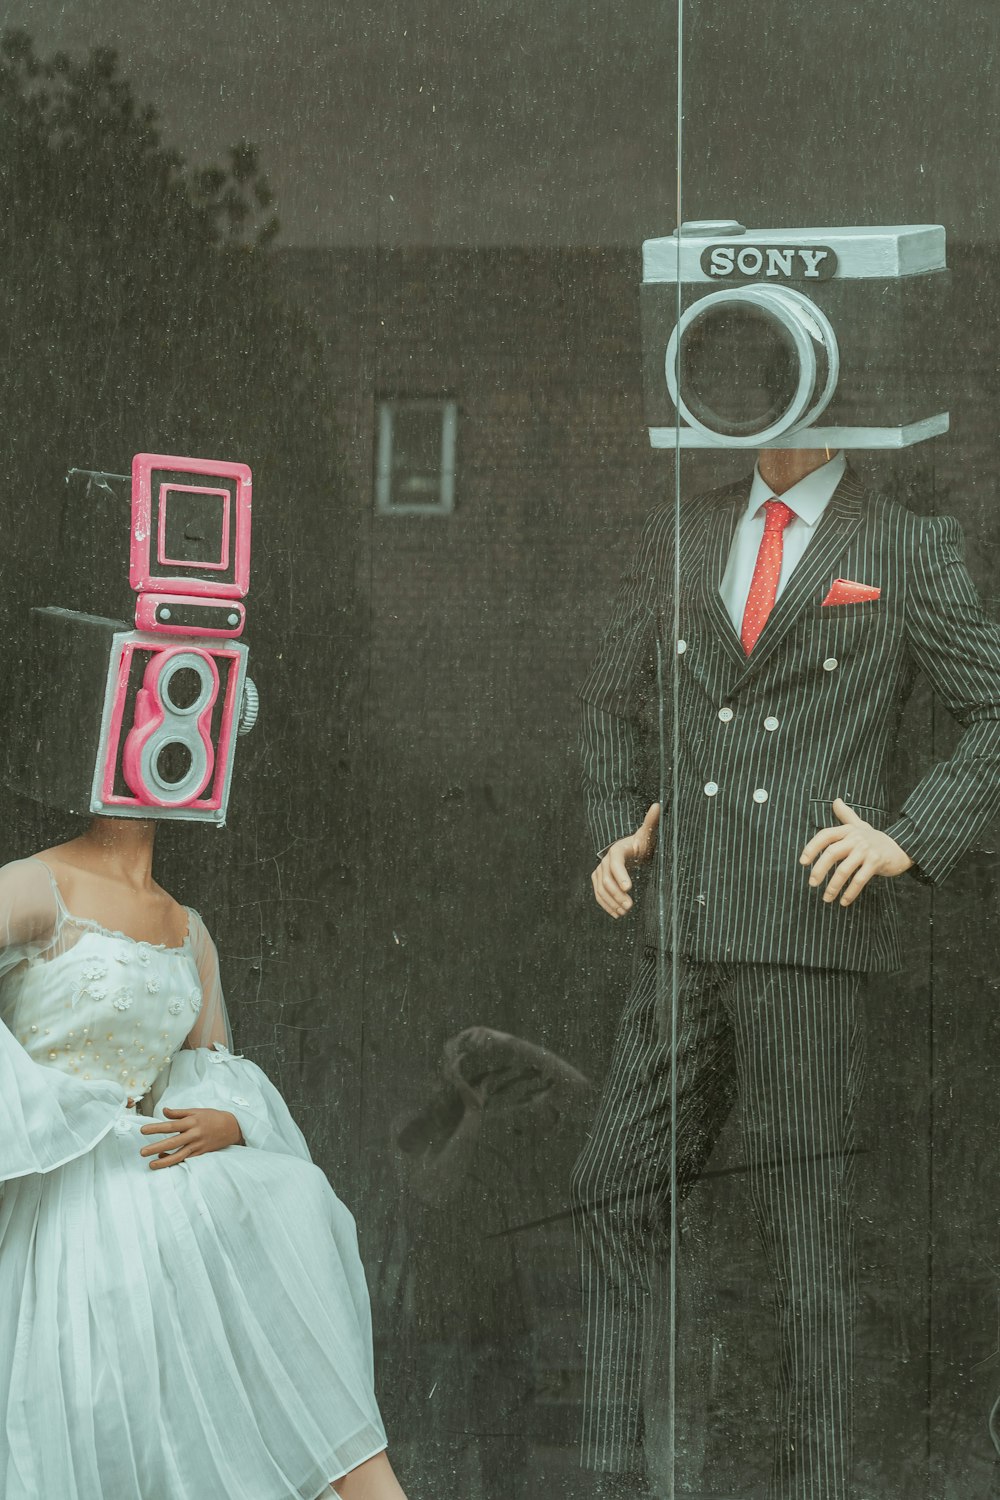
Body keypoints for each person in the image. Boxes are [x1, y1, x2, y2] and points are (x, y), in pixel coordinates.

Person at [571, 446, 1000, 1498]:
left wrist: (909, 837)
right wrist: (615, 829)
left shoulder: (902, 540)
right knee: (610, 1189)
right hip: (685, 930)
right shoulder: (683, 525)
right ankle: (613, 1478)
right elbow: (609, 705)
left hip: (809, 933)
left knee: (809, 1243)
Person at [0, 814, 408, 1500]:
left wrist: (232, 1120)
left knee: (293, 1200)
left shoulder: (187, 929)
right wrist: (40, 1112)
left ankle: (366, 1482)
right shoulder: (36, 884)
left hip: (148, 1173)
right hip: (59, 1197)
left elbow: (206, 1066)